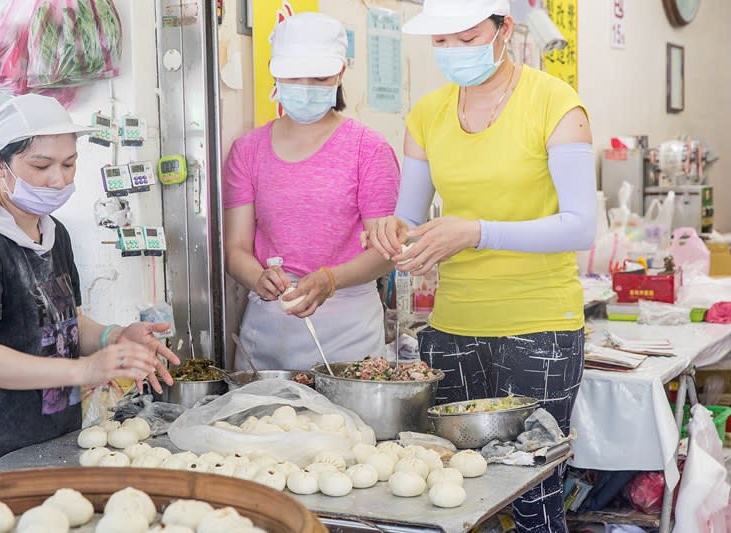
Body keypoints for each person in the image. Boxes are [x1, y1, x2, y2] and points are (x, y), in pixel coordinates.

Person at [364, 1, 596, 531]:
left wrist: (477, 230)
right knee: (456, 493)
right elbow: (409, 217)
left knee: (532, 500)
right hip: (451, 331)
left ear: (503, 29)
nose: (452, 53)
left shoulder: (556, 104)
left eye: (466, 39)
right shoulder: (427, 113)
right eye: (440, 43)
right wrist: (391, 229)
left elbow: (582, 226)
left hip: (539, 332)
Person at [0, 94, 180, 478]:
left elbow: (66, 323)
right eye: (41, 165)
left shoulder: (52, 233)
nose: (59, 179)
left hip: (54, 441)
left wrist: (114, 337)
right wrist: (82, 371)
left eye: (69, 164)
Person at [223, 12, 400, 371]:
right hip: (270, 325)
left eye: (319, 77)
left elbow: (386, 253)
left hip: (348, 327)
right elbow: (236, 249)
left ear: (340, 73)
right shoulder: (248, 150)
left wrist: (331, 280)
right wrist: (257, 277)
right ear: (275, 72)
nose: (305, 86)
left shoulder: (369, 150)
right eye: (293, 76)